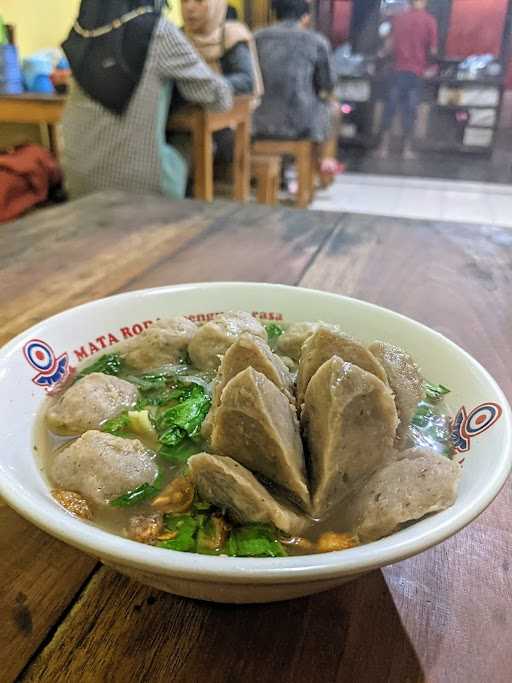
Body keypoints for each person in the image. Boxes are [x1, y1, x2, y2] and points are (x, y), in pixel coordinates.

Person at [61, 0, 232, 200]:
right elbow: (220, 98)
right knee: (195, 142)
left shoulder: (80, 36)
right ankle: (187, 219)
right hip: (139, 191)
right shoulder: (156, 32)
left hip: (77, 187)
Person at [252, 0, 341, 188]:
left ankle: (281, 174)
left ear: (274, 14)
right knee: (333, 108)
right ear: (306, 17)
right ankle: (324, 167)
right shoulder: (316, 41)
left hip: (257, 122)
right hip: (301, 126)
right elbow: (328, 85)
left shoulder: (256, 38)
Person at [180, 0, 263, 163]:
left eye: (199, 1)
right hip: (187, 119)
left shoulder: (231, 35)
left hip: (228, 123)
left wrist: (206, 85)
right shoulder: (177, 37)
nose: (189, 7)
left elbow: (246, 81)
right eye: (183, 1)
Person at [377, 0, 438, 159]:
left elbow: (388, 46)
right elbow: (433, 50)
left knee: (390, 109)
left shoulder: (398, 18)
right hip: (416, 73)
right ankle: (406, 150)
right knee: (410, 111)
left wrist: (380, 55)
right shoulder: (430, 21)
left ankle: (383, 148)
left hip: (397, 71)